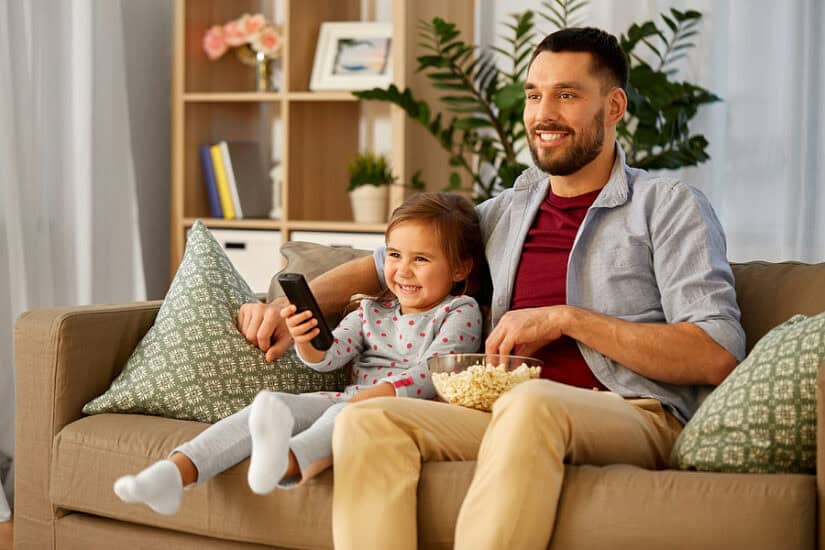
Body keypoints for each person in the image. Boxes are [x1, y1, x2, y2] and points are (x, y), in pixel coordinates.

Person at [238, 27, 745, 550]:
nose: (543, 113)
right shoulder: (507, 211)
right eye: (533, 94)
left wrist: (564, 318)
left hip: (635, 413)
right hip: (500, 409)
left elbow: (715, 354)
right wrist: (287, 305)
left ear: (614, 106)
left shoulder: (668, 205)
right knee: (368, 419)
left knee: (532, 404)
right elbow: (380, 265)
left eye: (566, 95)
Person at [112, 191, 489, 515]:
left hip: (406, 410)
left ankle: (284, 462)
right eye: (393, 255)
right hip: (351, 399)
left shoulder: (460, 311)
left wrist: (371, 398)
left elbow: (436, 371)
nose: (402, 270)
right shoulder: (370, 310)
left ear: (459, 268)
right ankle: (174, 474)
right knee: (274, 403)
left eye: (420, 259)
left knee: (342, 410)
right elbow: (328, 358)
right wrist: (305, 337)